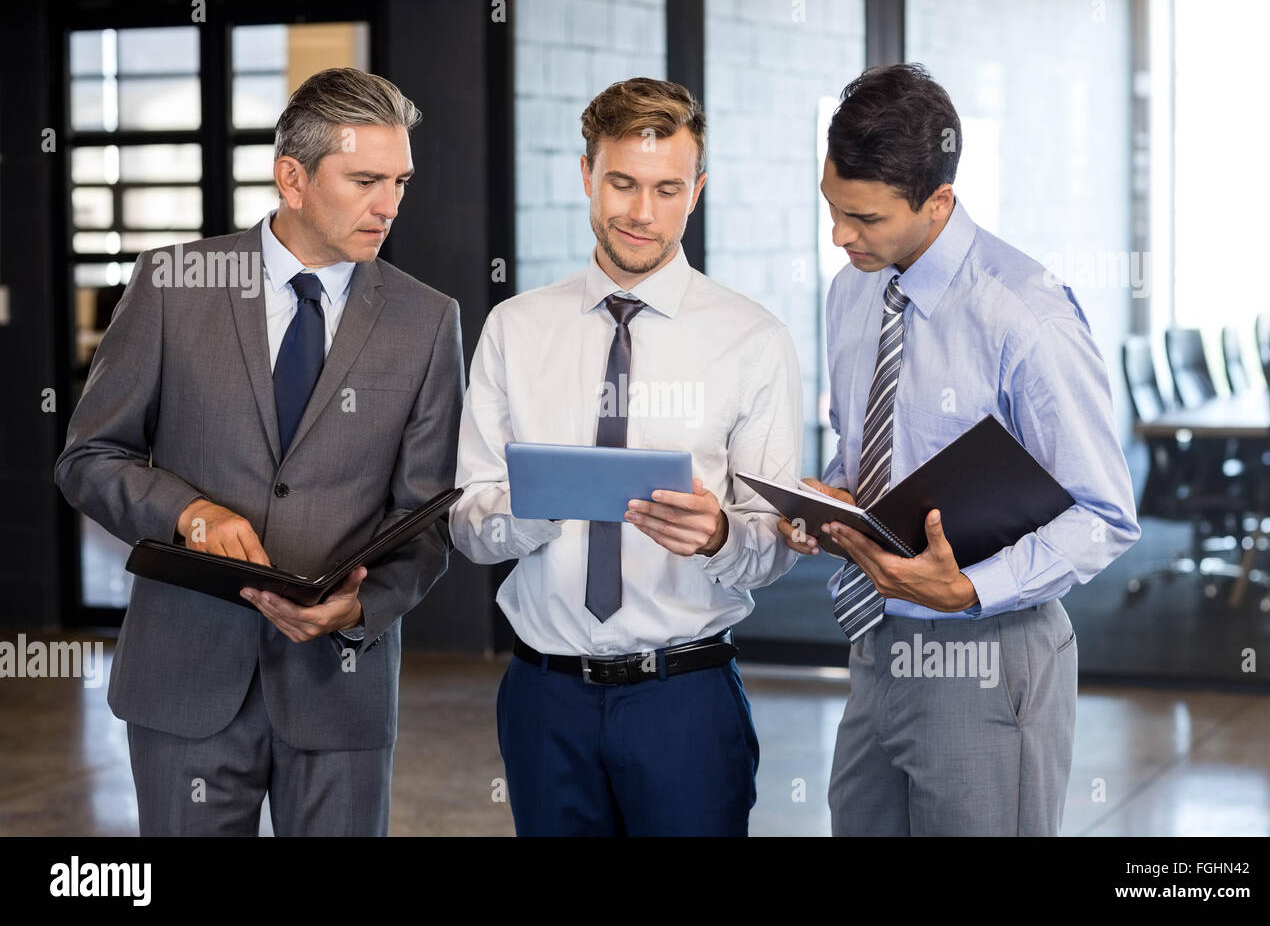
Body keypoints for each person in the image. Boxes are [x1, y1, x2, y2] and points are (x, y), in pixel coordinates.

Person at [54, 67, 464, 836]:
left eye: (401, 181)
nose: (389, 206)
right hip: (184, 683)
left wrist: (363, 607)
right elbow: (89, 458)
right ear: (292, 177)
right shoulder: (173, 286)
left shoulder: (427, 321)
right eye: (366, 180)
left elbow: (428, 515)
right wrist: (189, 512)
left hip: (340, 688)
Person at [779, 63, 1140, 835]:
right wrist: (833, 507)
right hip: (877, 643)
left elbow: (1105, 514)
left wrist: (971, 591)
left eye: (865, 218)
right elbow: (865, 451)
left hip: (990, 655)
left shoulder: (1023, 315)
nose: (840, 236)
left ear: (937, 201)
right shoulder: (853, 289)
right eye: (832, 209)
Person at [450, 77, 803, 836]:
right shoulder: (514, 329)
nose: (642, 213)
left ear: (696, 191)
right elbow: (468, 525)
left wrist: (720, 536)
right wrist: (529, 510)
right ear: (587, 176)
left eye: (667, 188)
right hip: (545, 700)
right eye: (622, 183)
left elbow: (774, 547)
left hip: (685, 699)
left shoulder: (755, 340)